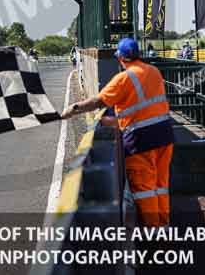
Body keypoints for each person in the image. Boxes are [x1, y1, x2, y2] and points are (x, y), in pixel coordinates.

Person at [61, 37, 173, 227]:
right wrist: (118, 120)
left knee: (144, 186)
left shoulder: (123, 79)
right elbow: (144, 107)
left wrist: (74, 108)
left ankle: (154, 230)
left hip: (141, 140)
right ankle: (164, 223)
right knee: (160, 182)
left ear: (121, 58)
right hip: (164, 134)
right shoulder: (154, 71)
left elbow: (98, 102)